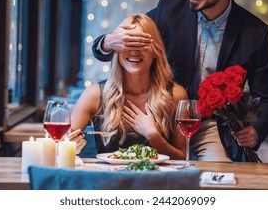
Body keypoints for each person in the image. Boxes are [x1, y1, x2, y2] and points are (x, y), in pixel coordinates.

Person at [92, 0, 268, 162]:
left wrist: (257, 130)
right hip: (163, 119)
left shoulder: (254, 33)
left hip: (211, 127)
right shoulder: (168, 9)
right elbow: (127, 46)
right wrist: (107, 42)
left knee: (216, 181)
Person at [70, 13, 188, 160]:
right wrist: (71, 145)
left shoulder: (176, 94)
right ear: (116, 49)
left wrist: (153, 135)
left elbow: (183, 158)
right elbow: (63, 144)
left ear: (156, 51)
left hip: (159, 181)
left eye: (141, 44)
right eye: (128, 44)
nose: (134, 51)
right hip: (109, 180)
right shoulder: (94, 94)